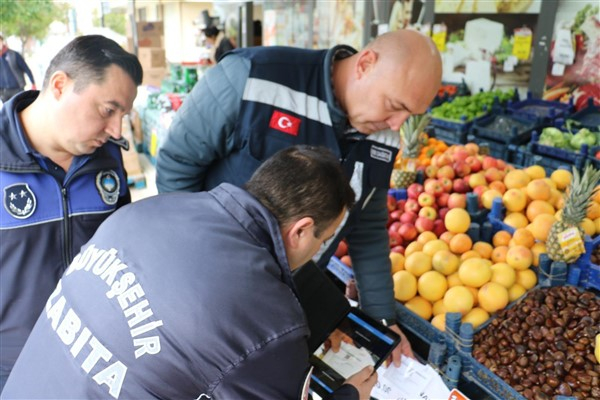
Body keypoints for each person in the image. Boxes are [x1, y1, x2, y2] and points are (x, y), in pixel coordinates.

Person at [155, 29, 443, 365]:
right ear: (365, 64)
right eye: (395, 106)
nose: (397, 125)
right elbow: (177, 167)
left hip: (285, 296)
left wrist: (382, 319)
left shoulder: (385, 135)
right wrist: (205, 268)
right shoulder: (250, 78)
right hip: (208, 290)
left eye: (410, 115)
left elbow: (367, 226)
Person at [2, 145, 377, 400]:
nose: (319, 250)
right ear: (300, 230)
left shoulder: (148, 210)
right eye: (323, 239)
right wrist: (348, 395)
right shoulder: (269, 322)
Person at [0, 34, 142, 391]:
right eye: (108, 110)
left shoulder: (107, 159)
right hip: (12, 373)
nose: (116, 130)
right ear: (60, 86)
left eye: (123, 115)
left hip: (96, 369)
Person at [0, 34, 36, 103]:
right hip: (3, 92)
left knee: (21, 109)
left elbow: (26, 69)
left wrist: (33, 83)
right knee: (9, 112)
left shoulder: (14, 54)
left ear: (2, 42)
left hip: (17, 89)